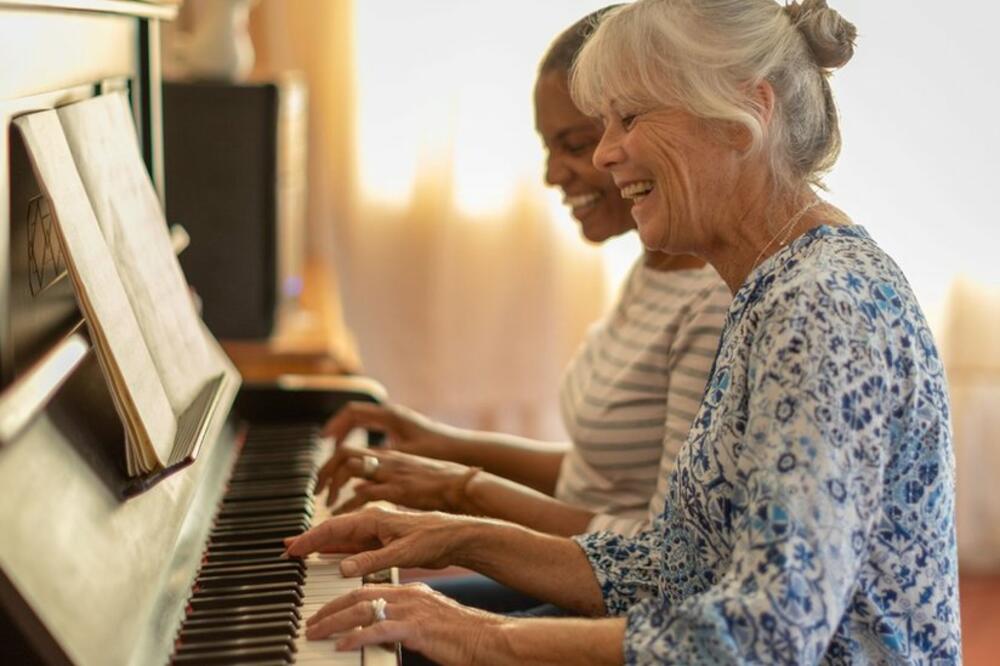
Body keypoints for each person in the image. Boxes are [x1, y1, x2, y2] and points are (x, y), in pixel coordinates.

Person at [285, 1, 962, 663]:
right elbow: (680, 566)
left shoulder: (823, 307)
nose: (607, 154)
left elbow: (767, 638)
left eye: (629, 118)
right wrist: (455, 535)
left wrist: (484, 636)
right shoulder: (772, 286)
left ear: (745, 114)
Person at [316, 9, 730, 544]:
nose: (552, 174)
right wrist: (445, 443)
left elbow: (661, 552)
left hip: (611, 604)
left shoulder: (710, 304)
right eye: (548, 147)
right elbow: (593, 481)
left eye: (575, 145)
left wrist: (460, 489)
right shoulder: (657, 263)